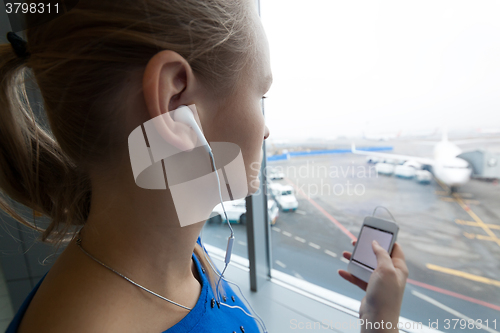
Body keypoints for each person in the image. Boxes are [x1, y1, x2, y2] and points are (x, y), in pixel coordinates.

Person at [0, 0, 408, 332]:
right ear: (175, 98)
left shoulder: (184, 257)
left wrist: (374, 318)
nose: (266, 130)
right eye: (260, 95)